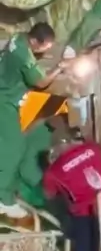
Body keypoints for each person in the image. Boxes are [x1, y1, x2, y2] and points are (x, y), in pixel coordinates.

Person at [0, 22, 69, 219]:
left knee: (14, 145)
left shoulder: (18, 38)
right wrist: (59, 68)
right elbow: (41, 82)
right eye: (45, 47)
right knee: (13, 148)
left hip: (6, 97)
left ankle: (6, 193)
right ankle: (3, 199)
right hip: (4, 101)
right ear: (34, 41)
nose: (46, 51)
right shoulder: (23, 55)